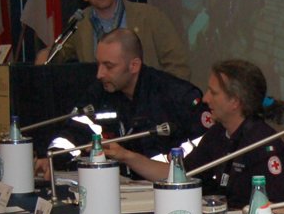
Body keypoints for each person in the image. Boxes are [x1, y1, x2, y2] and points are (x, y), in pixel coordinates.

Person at [106, 58, 284, 207]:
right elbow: (180, 175)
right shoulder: (218, 134)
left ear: (235, 101)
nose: (206, 98)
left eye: (214, 92)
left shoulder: (263, 145)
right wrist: (126, 156)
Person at [61, 29, 206, 162]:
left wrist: (174, 161)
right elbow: (75, 128)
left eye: (109, 66)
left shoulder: (176, 94)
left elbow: (206, 143)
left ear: (134, 66)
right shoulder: (101, 90)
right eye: (98, 65)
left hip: (170, 182)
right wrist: (57, 155)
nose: (100, 74)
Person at [34, 0, 191, 82]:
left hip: (146, 102)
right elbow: (59, 52)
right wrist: (46, 54)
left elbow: (178, 65)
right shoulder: (80, 23)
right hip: (101, 104)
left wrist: (163, 99)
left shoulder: (149, 16)